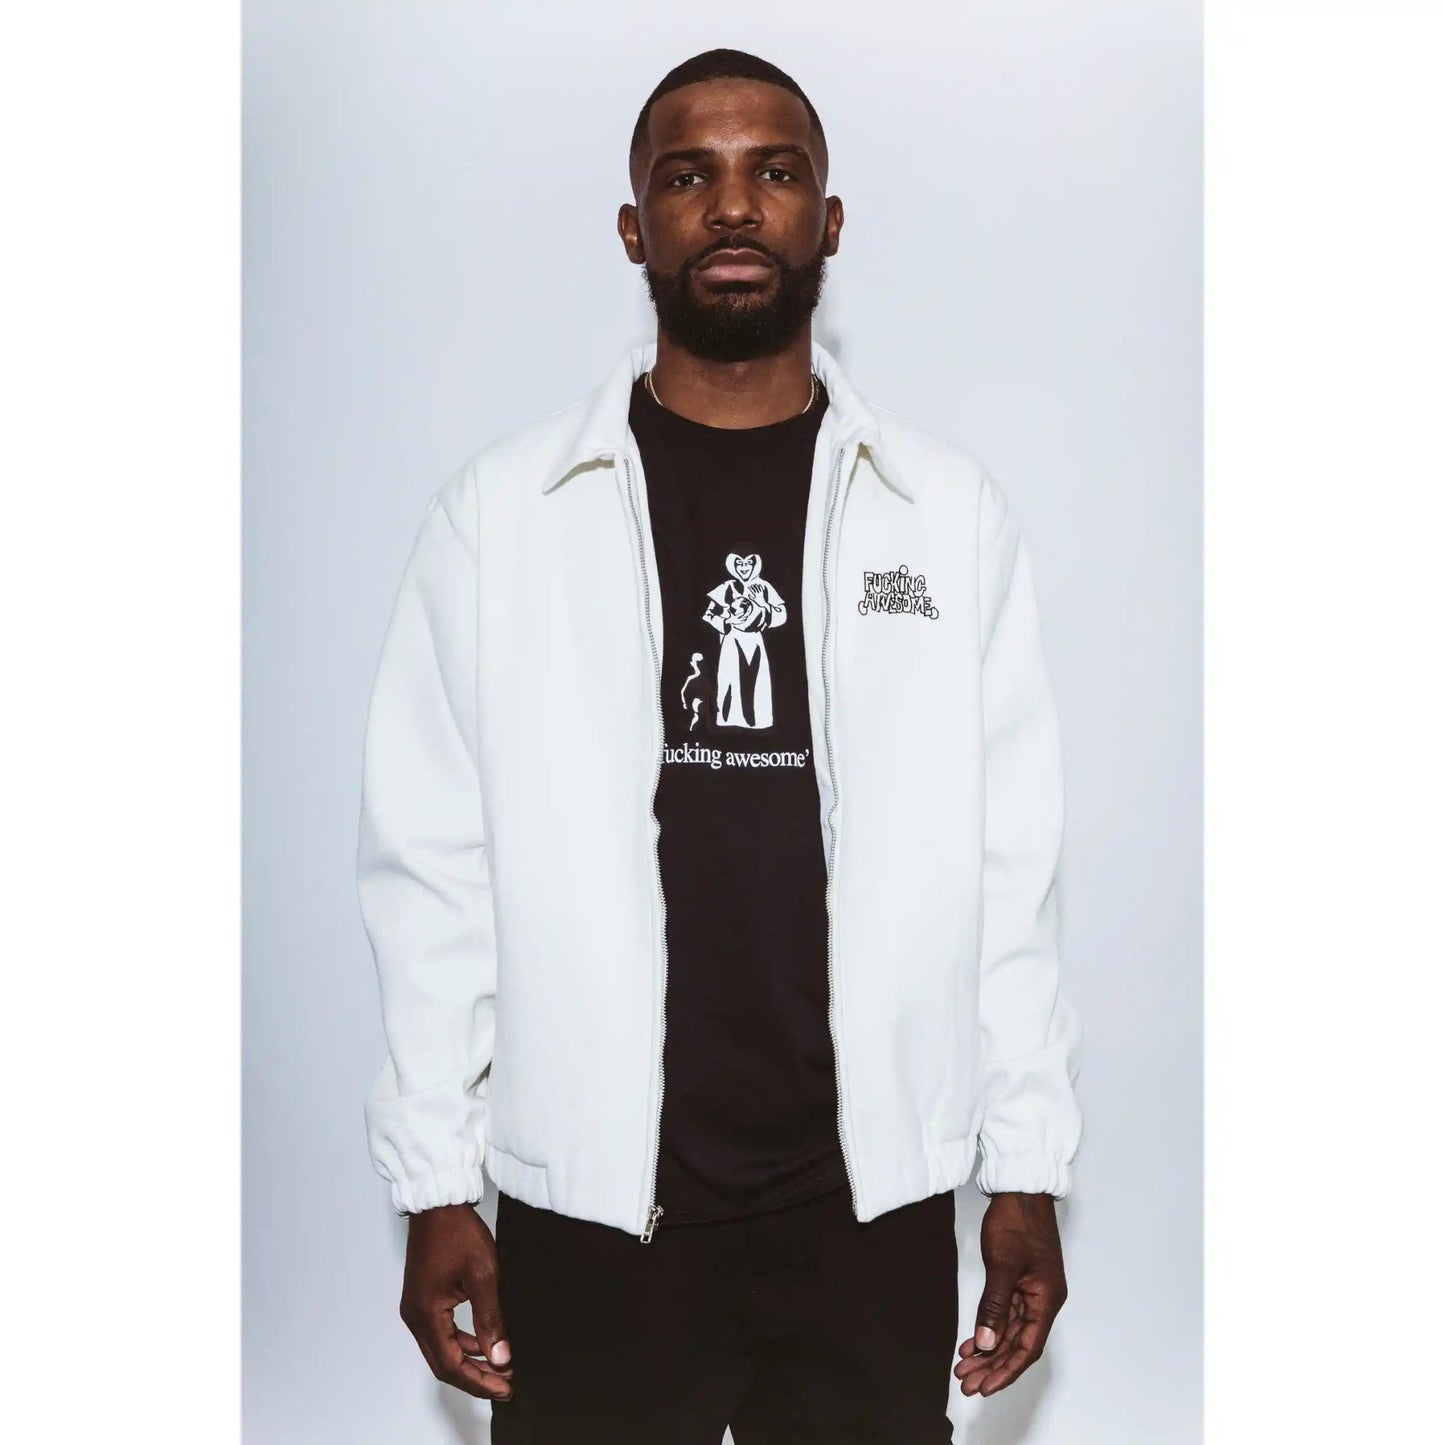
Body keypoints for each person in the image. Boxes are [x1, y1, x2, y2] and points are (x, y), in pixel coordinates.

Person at [358, 47, 1083, 1444]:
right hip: (596, 1208)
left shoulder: (946, 517)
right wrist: (437, 1182)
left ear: (829, 220)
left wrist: (1025, 1167)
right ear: (635, 228)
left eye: (775, 171)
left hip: (867, 1201)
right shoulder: (501, 519)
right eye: (689, 175)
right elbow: (431, 874)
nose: (734, 205)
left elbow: (1011, 875)